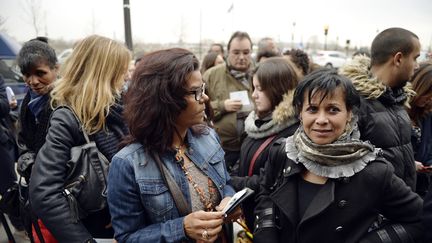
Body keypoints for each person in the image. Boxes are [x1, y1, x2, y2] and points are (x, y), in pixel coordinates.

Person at [254, 68, 424, 243]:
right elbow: (266, 193)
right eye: (312, 109)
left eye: (333, 110)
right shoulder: (283, 152)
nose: (321, 119)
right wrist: (266, 234)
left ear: (349, 114)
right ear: (300, 113)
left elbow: (419, 219)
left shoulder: (373, 171)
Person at [107, 48, 237, 242]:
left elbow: (226, 181)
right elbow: (126, 237)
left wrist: (229, 200)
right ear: (165, 100)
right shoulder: (127, 164)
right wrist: (181, 229)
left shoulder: (208, 137)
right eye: (196, 92)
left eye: (203, 89)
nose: (205, 98)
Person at [29, 35, 131, 242]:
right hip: (93, 229)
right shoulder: (67, 117)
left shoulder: (119, 111)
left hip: (121, 224)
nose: (126, 78)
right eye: (122, 72)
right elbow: (44, 193)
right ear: (105, 74)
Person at [339, 27, 421, 190]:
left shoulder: (396, 98)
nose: (418, 66)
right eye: (415, 58)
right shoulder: (353, 101)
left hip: (399, 206)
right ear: (398, 59)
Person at [230, 57, 299, 231]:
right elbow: (243, 157)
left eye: (260, 89)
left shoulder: (292, 133)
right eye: (253, 88)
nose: (253, 95)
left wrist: (230, 182)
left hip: (267, 220)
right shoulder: (257, 122)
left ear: (278, 89)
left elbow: (269, 180)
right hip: (247, 209)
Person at [15, 37, 59, 241]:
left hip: (61, 193)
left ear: (56, 69)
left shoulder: (65, 102)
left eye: (40, 73)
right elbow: (22, 140)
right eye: (27, 75)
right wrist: (27, 159)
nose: (33, 81)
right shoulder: (27, 103)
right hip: (37, 191)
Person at [203, 31, 254, 171]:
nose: (241, 57)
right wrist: (221, 105)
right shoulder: (212, 75)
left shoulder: (259, 74)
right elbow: (198, 106)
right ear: (227, 52)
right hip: (220, 147)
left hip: (253, 146)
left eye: (246, 52)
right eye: (236, 52)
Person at [408, 62, 432, 197]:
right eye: (428, 93)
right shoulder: (397, 112)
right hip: (398, 186)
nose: (429, 99)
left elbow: (428, 149)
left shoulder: (427, 114)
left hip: (420, 187)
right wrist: (411, 164)